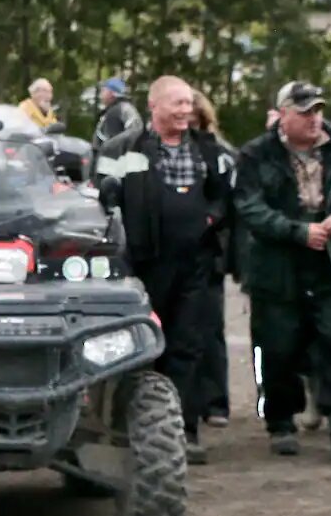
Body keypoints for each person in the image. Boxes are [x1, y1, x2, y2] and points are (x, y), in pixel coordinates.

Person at [232, 80, 331, 460]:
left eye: (317, 110)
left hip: (329, 259)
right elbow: (249, 208)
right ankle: (280, 422)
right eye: (304, 112)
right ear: (283, 115)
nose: (314, 119)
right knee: (276, 344)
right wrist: (296, 232)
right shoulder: (255, 154)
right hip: (276, 261)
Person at [95, 76, 232, 464]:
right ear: (154, 106)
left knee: (187, 345)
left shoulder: (209, 150)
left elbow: (227, 196)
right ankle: (130, 429)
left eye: (189, 103)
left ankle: (183, 431)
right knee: (140, 346)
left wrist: (210, 219)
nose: (187, 110)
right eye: (178, 104)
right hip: (143, 266)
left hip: (195, 265)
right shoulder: (121, 148)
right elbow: (103, 197)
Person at [192, 88, 238, 428]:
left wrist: (209, 220)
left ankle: (216, 402)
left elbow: (229, 202)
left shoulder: (222, 155)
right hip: (174, 250)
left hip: (210, 249)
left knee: (210, 327)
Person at [92, 77, 141, 149]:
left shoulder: (116, 111)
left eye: (103, 90)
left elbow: (110, 142)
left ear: (112, 93)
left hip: (111, 158)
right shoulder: (123, 108)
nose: (101, 94)